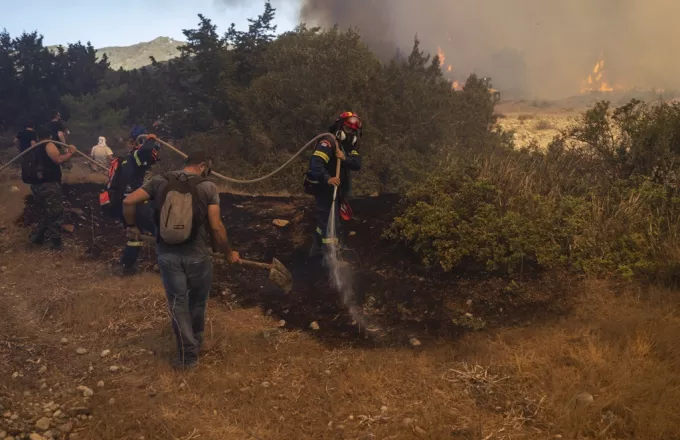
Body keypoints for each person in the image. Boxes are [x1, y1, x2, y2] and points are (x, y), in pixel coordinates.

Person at [122, 152, 240, 369]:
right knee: (197, 301)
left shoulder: (160, 181)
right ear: (203, 165)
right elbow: (216, 226)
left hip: (167, 254)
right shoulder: (208, 187)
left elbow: (129, 200)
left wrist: (131, 227)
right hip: (197, 255)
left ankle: (188, 357)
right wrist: (228, 252)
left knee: (178, 304)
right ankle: (198, 341)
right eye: (209, 169)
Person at [304, 111, 363, 257]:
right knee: (329, 220)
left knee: (327, 220)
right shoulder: (328, 142)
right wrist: (328, 178)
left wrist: (344, 159)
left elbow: (357, 164)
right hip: (324, 187)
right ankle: (330, 256)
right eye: (348, 129)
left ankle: (316, 248)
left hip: (338, 189)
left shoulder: (349, 148)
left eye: (354, 131)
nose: (351, 133)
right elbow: (316, 164)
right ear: (340, 128)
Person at [114, 129, 161, 275]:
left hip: (122, 203)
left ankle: (126, 265)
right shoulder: (135, 156)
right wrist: (151, 141)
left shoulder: (125, 159)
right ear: (134, 142)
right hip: (134, 203)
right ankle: (167, 265)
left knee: (136, 234)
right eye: (141, 142)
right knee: (161, 229)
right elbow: (146, 153)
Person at [23, 126, 77, 250]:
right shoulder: (48, 144)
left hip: (37, 186)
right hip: (49, 185)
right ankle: (56, 243)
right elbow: (58, 159)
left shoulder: (35, 147)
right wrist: (70, 153)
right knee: (56, 213)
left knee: (45, 213)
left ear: (38, 136)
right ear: (50, 136)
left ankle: (38, 237)